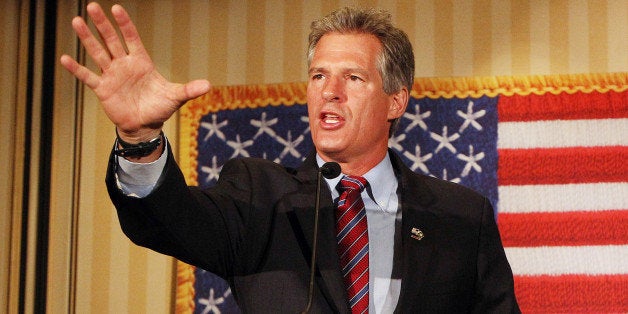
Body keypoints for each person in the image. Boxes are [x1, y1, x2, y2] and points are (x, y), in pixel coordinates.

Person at [61, 2, 520, 313]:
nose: (330, 92)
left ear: (396, 102)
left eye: (353, 78)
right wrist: (139, 138)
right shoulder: (259, 196)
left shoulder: (461, 217)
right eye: (318, 74)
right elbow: (166, 218)